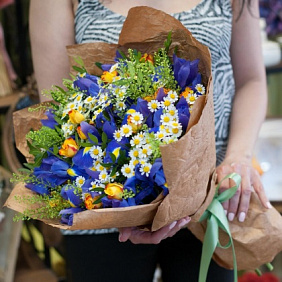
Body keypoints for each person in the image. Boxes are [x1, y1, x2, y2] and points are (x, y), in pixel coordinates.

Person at [29, 0, 271, 281]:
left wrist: (238, 158)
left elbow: (251, 80)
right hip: (105, 206)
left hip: (210, 198)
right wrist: (125, 206)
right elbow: (59, 107)